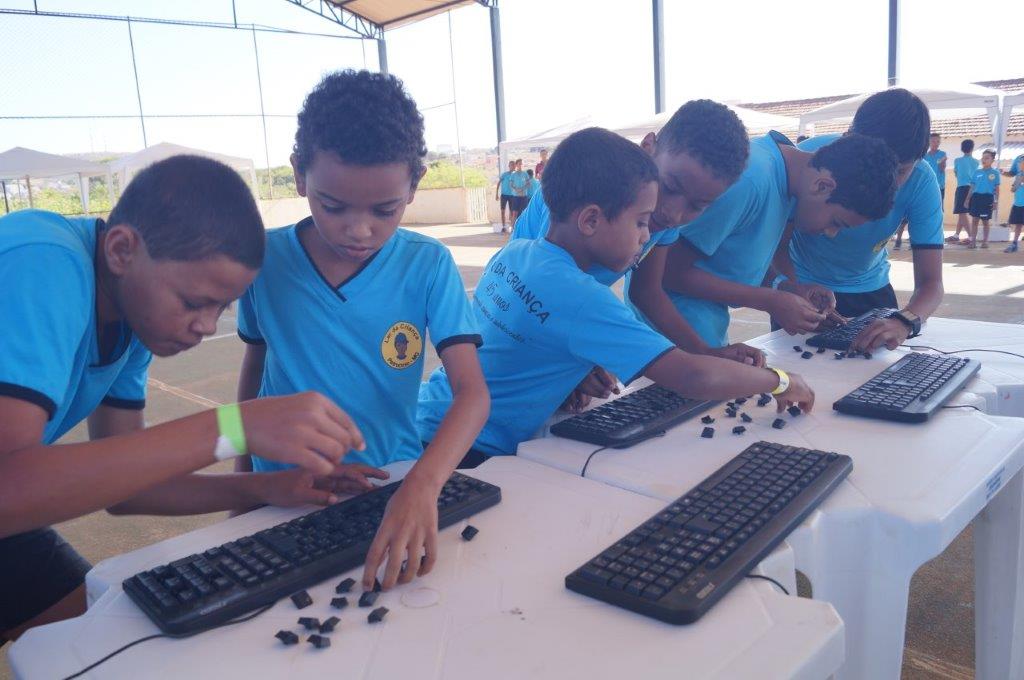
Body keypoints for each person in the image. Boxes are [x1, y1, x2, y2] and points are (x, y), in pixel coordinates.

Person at [0, 155, 366, 642]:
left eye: (221, 308)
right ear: (122, 250)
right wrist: (234, 427)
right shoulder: (42, 262)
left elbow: (126, 490)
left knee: (105, 648)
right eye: (194, 302)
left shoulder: (130, 321)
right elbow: (9, 487)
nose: (206, 326)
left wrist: (266, 488)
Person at [234, 70, 489, 593]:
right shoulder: (263, 259)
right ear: (299, 175)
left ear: (413, 186)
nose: (358, 229)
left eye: (384, 209)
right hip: (282, 491)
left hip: (389, 484)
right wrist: (243, 482)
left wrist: (422, 484)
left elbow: (472, 393)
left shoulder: (427, 264)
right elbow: (254, 371)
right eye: (333, 206)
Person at [417, 127, 815, 460]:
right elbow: (693, 375)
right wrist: (779, 380)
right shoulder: (581, 297)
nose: (647, 236)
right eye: (641, 223)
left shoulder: (517, 254)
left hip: (430, 416)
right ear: (591, 219)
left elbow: (524, 343)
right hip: (468, 446)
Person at [513, 100, 764, 376]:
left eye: (697, 206)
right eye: (669, 187)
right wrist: (575, 361)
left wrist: (704, 351)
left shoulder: (663, 220)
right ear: (649, 146)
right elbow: (536, 294)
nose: (673, 213)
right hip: (521, 333)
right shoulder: (587, 183)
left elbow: (646, 290)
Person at [657, 129, 898, 350]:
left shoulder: (788, 178)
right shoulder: (750, 181)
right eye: (836, 223)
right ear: (822, 186)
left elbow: (733, 258)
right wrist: (769, 301)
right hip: (670, 335)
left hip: (704, 327)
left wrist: (787, 288)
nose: (831, 233)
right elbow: (664, 270)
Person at [775, 88, 945, 352]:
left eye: (900, 171)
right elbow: (777, 246)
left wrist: (904, 321)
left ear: (918, 160)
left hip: (871, 293)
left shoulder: (921, 181)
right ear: (849, 140)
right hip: (800, 287)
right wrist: (792, 289)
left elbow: (931, 283)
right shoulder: (807, 162)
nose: (885, 182)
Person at [895, 131, 945, 249]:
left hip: (937, 188)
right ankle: (898, 240)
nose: (936, 143)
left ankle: (917, 242)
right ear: (929, 142)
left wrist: (942, 163)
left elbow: (942, 170)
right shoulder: (923, 156)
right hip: (916, 187)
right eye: (933, 141)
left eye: (938, 141)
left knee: (925, 216)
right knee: (904, 217)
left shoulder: (942, 155)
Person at [965, 150, 1001, 249]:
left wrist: (995, 201)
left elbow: (997, 189)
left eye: (987, 158)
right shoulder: (977, 172)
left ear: (992, 160)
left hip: (987, 199)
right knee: (975, 220)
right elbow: (972, 187)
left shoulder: (995, 173)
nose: (984, 160)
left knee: (985, 221)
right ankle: (973, 242)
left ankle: (985, 241)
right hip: (976, 198)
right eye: (983, 158)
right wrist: (967, 199)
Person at [949, 139, 979, 245]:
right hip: (973, 188)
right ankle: (956, 235)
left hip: (962, 187)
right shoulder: (976, 162)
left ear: (962, 148)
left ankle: (971, 237)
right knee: (961, 213)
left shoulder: (957, 161)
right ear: (972, 148)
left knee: (962, 213)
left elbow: (956, 173)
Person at [1005, 171, 1024, 253]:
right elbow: (1012, 190)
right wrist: (1019, 181)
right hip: (1017, 204)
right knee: (1018, 225)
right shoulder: (1018, 175)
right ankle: (1014, 244)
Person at [495, 160, 516, 233]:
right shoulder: (504, 174)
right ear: (509, 166)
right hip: (504, 195)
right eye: (511, 165)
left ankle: (512, 227)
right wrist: (496, 194)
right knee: (502, 211)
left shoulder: (516, 175)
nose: (513, 166)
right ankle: (503, 227)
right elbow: (498, 183)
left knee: (512, 212)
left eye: (514, 165)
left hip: (512, 195)